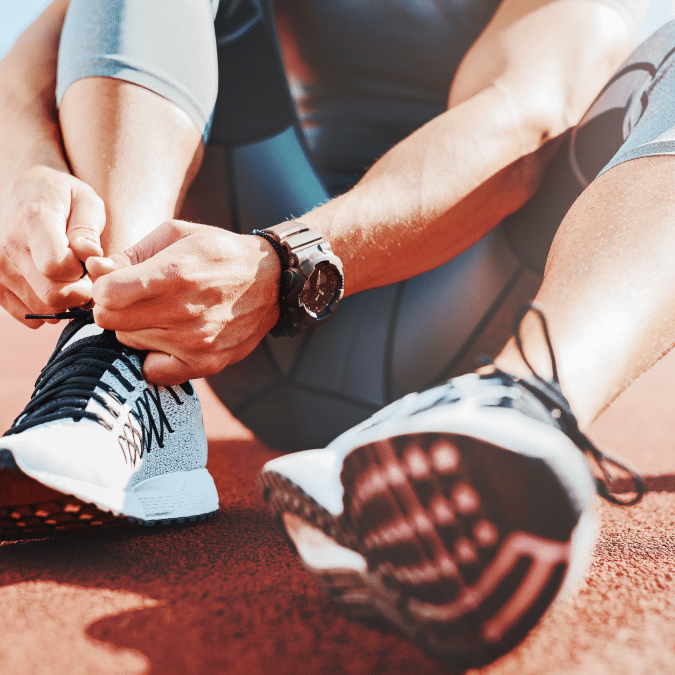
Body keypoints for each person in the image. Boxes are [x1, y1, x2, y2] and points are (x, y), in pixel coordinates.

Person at [0, 0, 672, 664]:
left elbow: (520, 118)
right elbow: (45, 51)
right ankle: (122, 351)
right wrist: (26, 170)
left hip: (458, 336)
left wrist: (285, 265)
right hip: (224, 318)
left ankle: (520, 403)